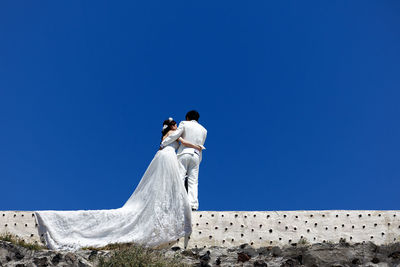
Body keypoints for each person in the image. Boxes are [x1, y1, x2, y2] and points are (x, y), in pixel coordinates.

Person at [35, 118, 199, 250]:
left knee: (161, 184)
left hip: (163, 156)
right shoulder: (174, 133)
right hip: (168, 157)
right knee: (171, 183)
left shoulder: (168, 134)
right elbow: (183, 142)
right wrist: (198, 147)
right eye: (174, 123)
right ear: (171, 126)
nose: (177, 124)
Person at [160, 110, 207, 211]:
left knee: (180, 177)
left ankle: (178, 202)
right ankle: (193, 204)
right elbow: (200, 145)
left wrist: (163, 143)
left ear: (187, 117)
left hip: (184, 153)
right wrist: (199, 160)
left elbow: (175, 135)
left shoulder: (184, 123)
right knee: (193, 181)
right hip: (196, 156)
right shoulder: (204, 130)